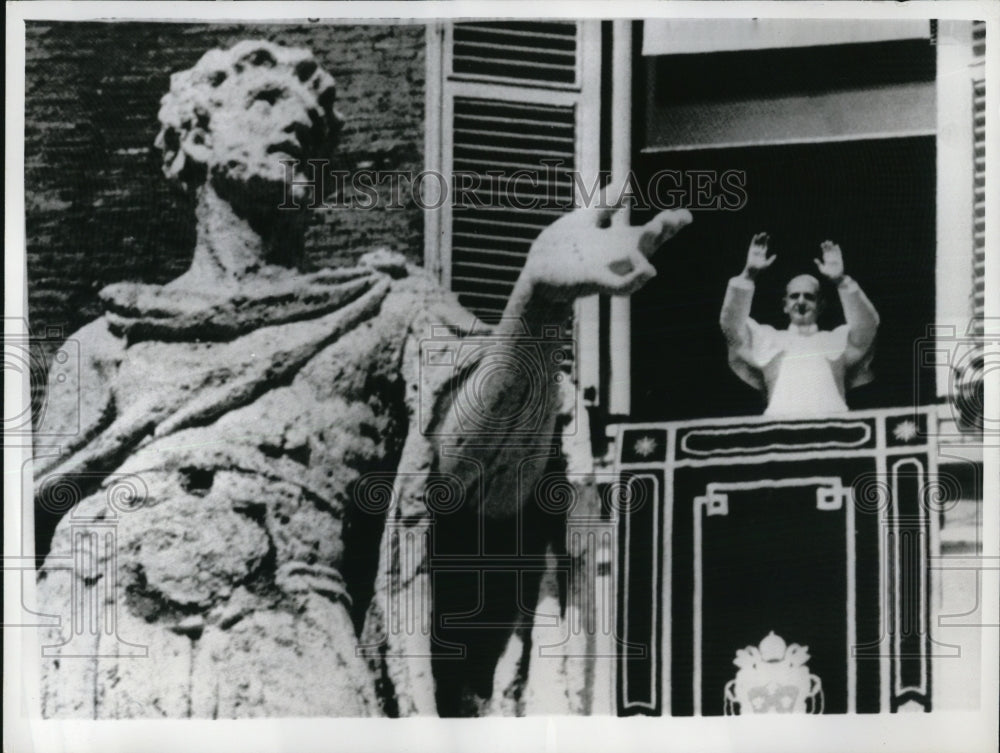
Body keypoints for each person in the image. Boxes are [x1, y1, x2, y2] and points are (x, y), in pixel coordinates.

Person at [34, 40, 692, 718]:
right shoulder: (104, 343)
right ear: (196, 137)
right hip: (99, 640)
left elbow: (484, 469)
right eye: (266, 101)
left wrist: (537, 299)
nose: (297, 126)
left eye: (316, 129)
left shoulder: (382, 311)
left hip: (286, 642)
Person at [719, 232, 879, 417]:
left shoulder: (837, 340)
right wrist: (748, 274)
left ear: (821, 306)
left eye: (809, 297)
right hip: (779, 427)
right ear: (785, 305)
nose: (801, 301)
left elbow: (867, 327)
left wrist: (842, 281)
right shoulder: (767, 339)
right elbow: (732, 327)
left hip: (834, 428)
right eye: (794, 296)